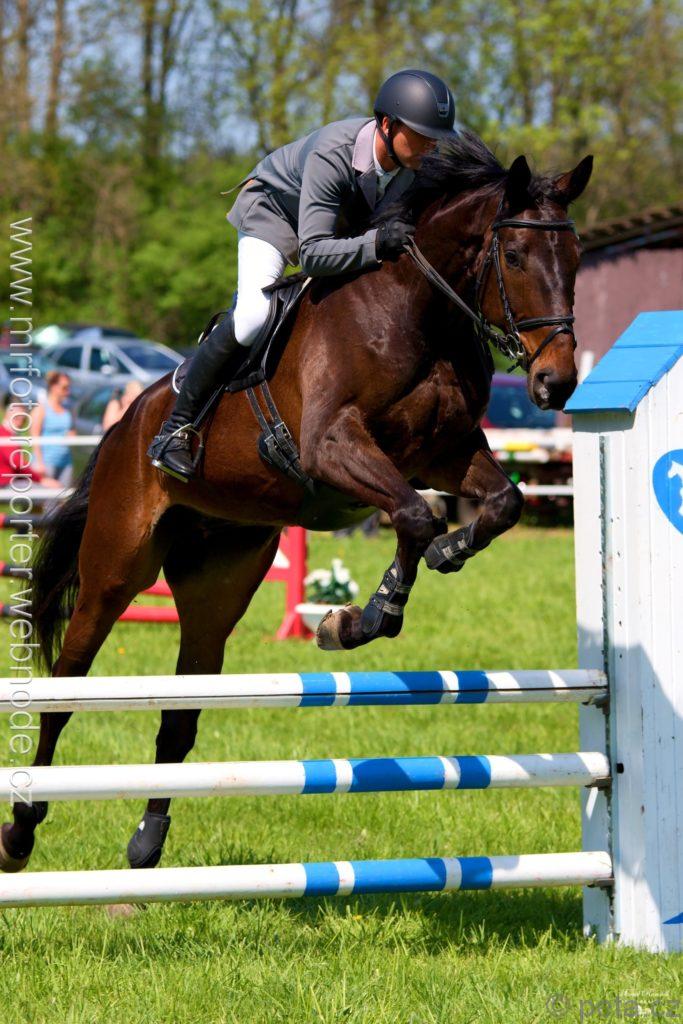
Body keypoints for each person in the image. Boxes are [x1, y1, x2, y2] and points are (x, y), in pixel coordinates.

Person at [147, 69, 459, 482]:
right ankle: (175, 429)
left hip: (334, 229)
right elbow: (312, 255)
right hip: (274, 215)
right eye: (422, 135)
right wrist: (376, 243)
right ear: (387, 124)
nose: (431, 145)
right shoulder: (334, 153)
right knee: (254, 316)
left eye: (436, 137)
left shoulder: (414, 166)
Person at [0, 399, 61, 488]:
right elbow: (17, 463)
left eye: (23, 419)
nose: (20, 422)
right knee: (49, 490)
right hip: (5, 482)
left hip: (11, 480)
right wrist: (40, 479)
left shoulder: (8, 434)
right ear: (7, 415)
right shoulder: (4, 434)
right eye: (16, 418)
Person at [32, 371, 76, 487]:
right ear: (53, 387)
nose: (68, 391)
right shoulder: (41, 409)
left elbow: (72, 431)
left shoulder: (68, 409)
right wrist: (39, 463)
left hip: (65, 462)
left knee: (64, 496)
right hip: (46, 462)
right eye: (64, 388)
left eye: (69, 388)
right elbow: (34, 437)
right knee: (46, 497)